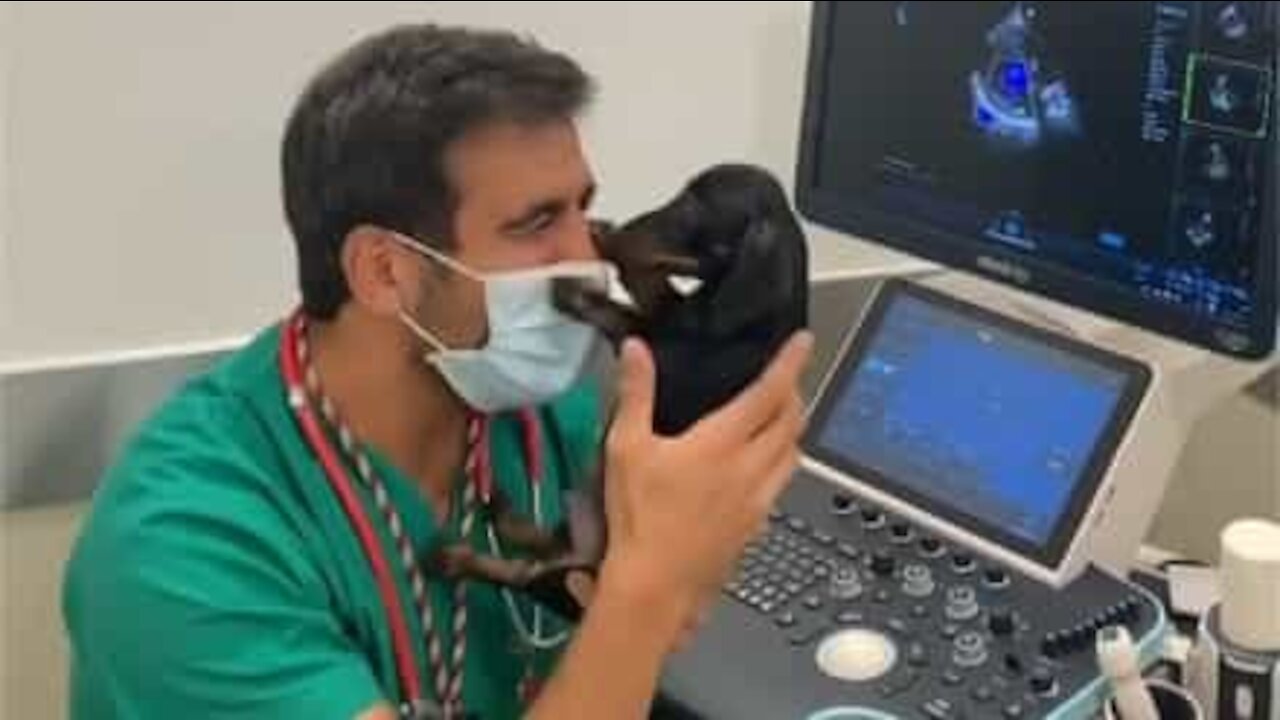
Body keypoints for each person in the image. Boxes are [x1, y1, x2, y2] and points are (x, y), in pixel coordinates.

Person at [62, 22, 812, 720]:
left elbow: (657, 621)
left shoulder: (548, 420)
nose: (589, 260)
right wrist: (646, 585)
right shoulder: (182, 550)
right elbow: (642, 608)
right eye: (537, 223)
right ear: (385, 272)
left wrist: (707, 401)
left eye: (585, 209)